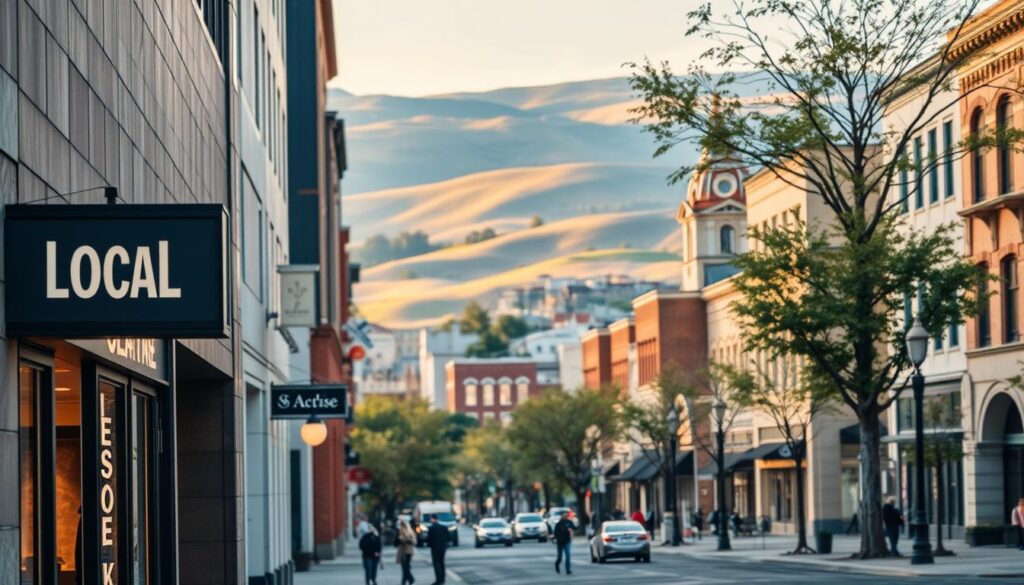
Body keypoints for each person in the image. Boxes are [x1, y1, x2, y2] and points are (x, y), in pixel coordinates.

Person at [425, 514, 449, 585]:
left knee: (436, 564)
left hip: (434, 548)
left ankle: (438, 580)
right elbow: (448, 538)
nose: (430, 520)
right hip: (443, 548)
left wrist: (428, 544)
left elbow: (429, 539)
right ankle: (442, 579)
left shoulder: (431, 528)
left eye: (431, 519)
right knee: (442, 563)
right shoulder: (444, 527)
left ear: (433, 519)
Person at [396, 519, 417, 585]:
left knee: (405, 567)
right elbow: (414, 541)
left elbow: (401, 539)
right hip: (409, 551)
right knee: (406, 566)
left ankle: (411, 579)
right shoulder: (410, 530)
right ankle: (404, 581)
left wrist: (403, 539)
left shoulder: (401, 530)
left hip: (403, 550)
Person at [553, 510, 574, 575]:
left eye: (566, 515)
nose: (565, 516)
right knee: (560, 557)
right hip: (560, 542)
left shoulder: (570, 522)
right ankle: (557, 564)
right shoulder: (558, 524)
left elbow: (574, 528)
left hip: (567, 541)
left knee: (568, 555)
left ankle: (568, 570)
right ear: (561, 516)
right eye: (563, 515)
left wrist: (571, 530)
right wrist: (555, 538)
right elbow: (555, 533)